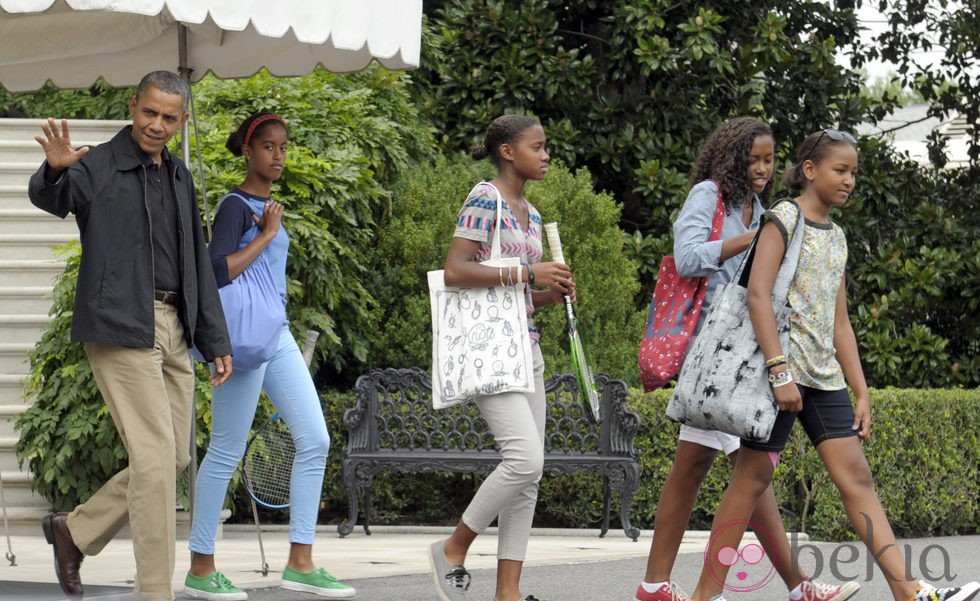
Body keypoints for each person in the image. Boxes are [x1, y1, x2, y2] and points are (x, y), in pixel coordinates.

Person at [685, 130, 980, 601]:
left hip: (822, 378)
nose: (849, 181)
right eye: (840, 170)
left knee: (855, 478)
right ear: (809, 170)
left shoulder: (838, 236)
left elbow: (839, 322)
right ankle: (704, 596)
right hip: (777, 376)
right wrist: (779, 371)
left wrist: (861, 391)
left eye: (853, 173)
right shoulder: (783, 218)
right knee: (751, 481)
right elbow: (757, 295)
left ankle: (909, 593)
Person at [28, 70, 234, 600]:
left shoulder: (181, 177)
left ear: (181, 120)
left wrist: (215, 339)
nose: (157, 125)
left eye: (169, 117)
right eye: (149, 113)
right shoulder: (97, 163)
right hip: (121, 323)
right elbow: (53, 196)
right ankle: (154, 592)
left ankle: (73, 532)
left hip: (173, 326)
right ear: (132, 106)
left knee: (175, 458)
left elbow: (195, 263)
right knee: (153, 458)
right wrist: (52, 172)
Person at [636, 117, 859, 601]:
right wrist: (759, 238)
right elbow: (689, 256)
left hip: (742, 358)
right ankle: (796, 588)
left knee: (719, 472)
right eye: (752, 159)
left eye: (769, 160)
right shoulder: (709, 197)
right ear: (730, 157)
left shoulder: (760, 208)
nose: (762, 168)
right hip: (714, 353)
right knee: (747, 475)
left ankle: (656, 586)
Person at [184, 113, 354, 600]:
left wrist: (269, 228)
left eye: (284, 147)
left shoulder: (268, 204)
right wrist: (264, 234)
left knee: (316, 439)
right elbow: (215, 271)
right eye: (268, 147)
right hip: (241, 341)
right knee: (225, 450)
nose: (278, 155)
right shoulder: (236, 206)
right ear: (248, 152)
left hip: (274, 335)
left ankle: (301, 561)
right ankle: (200, 567)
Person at [427, 114, 573, 601]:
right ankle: (454, 546)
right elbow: (455, 269)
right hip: (490, 352)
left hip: (524, 346)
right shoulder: (483, 198)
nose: (546, 154)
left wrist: (553, 292)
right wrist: (528, 272)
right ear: (508, 152)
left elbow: (522, 292)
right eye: (538, 146)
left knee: (530, 476)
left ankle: (507, 592)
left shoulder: (529, 212)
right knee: (524, 459)